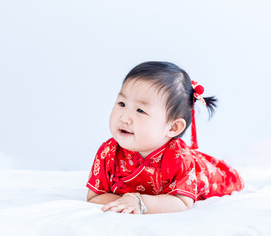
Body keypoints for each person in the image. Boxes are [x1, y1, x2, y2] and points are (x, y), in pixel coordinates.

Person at [86, 61, 244, 214]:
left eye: (140, 110)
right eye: (121, 104)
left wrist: (140, 202)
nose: (124, 118)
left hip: (209, 175)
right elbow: (94, 196)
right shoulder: (108, 152)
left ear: (173, 127)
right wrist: (124, 201)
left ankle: (228, 163)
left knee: (228, 176)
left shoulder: (179, 157)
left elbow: (182, 202)